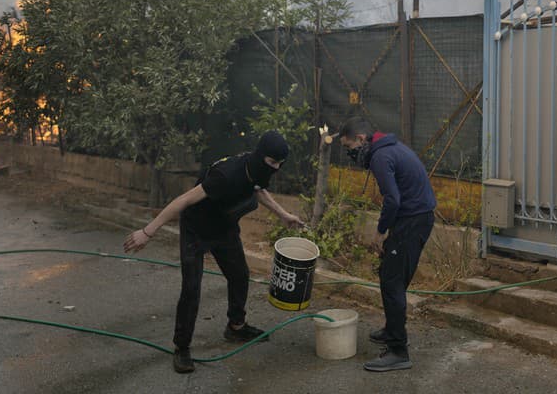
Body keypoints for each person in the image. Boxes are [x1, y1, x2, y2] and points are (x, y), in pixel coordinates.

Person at [123, 131, 303, 374]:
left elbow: (257, 189)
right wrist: (148, 231)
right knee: (192, 288)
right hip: (196, 229)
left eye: (280, 164)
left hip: (224, 229)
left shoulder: (254, 168)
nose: (276, 169)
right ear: (261, 157)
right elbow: (184, 200)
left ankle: (236, 327)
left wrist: (284, 215)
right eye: (272, 163)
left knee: (240, 275)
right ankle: (182, 347)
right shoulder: (225, 174)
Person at [338, 117, 436, 372]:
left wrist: (381, 232)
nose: (350, 154)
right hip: (415, 218)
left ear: (361, 139)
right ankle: (391, 330)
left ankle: (397, 350)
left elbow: (392, 199)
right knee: (390, 275)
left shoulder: (381, 157)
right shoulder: (390, 148)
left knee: (392, 280)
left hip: (412, 221)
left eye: (349, 148)